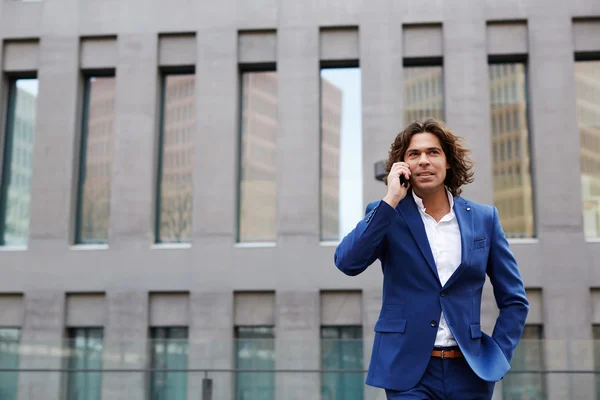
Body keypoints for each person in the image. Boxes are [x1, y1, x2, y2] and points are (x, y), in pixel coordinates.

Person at [334, 119, 529, 399]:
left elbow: (515, 300)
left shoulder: (484, 219)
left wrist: (497, 354)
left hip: (470, 371)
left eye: (433, 152)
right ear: (402, 166)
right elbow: (347, 263)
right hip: (408, 372)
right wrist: (390, 199)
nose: (423, 161)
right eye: (414, 154)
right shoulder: (387, 214)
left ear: (448, 162)